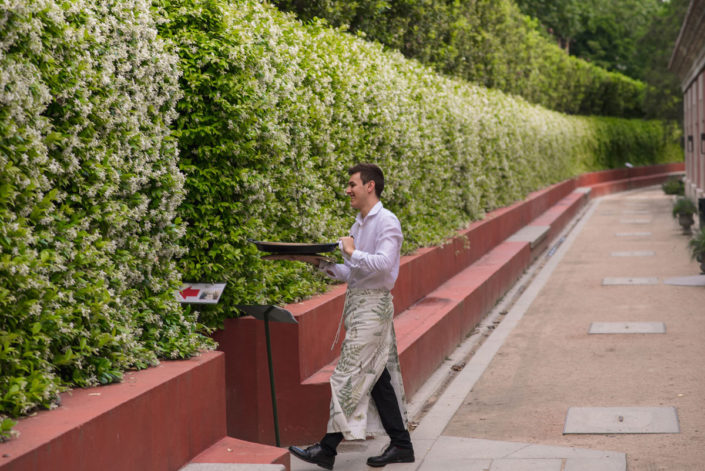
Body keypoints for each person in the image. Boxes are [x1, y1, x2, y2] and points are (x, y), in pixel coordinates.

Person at [289, 163, 414, 469]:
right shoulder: (358, 224)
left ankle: (327, 449)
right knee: (378, 378)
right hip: (359, 305)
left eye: (352, 184)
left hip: (374, 308)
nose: (348, 190)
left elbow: (384, 266)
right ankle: (401, 444)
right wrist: (320, 264)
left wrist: (351, 253)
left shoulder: (388, 222)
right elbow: (353, 272)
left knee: (346, 375)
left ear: (370, 186)